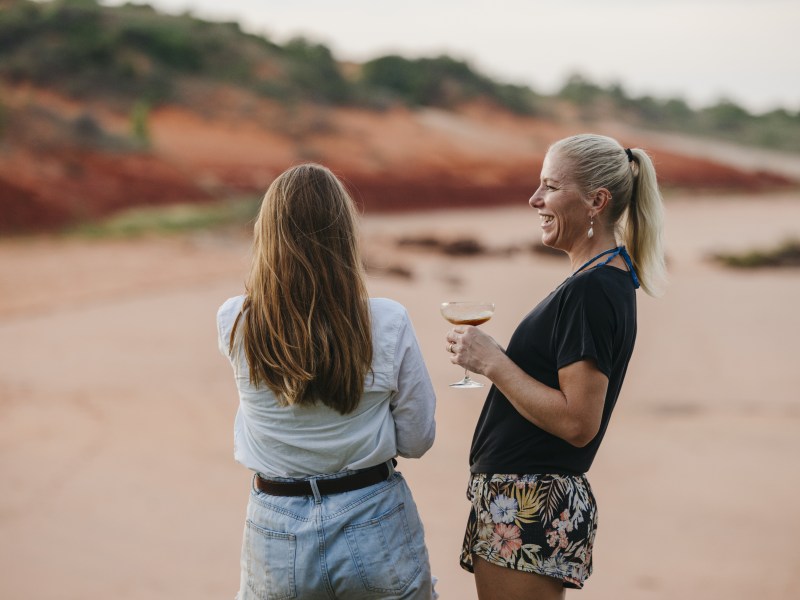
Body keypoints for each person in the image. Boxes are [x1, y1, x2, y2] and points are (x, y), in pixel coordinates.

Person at [444, 134, 666, 599]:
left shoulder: (592, 290)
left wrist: (492, 362)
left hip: (530, 503)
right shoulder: (599, 280)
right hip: (522, 501)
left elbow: (578, 421)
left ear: (596, 201)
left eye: (550, 186)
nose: (534, 199)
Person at [217, 163, 438, 599]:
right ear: (344, 233)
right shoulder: (386, 321)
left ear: (268, 233)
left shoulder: (235, 321)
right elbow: (417, 440)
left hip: (276, 526)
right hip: (373, 519)